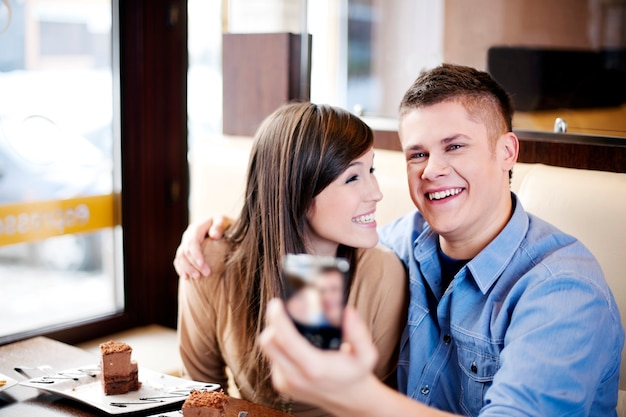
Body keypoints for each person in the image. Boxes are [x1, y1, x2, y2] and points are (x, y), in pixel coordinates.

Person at [175, 64, 624, 416]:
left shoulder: (562, 288)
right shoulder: (396, 243)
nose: (431, 171)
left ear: (506, 152)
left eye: (455, 146)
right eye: (417, 154)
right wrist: (228, 234)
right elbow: (304, 235)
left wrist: (357, 395)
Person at [176, 102, 408, 417]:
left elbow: (372, 406)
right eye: (353, 178)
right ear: (296, 188)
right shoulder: (209, 262)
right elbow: (202, 392)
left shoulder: (382, 273)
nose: (376, 192)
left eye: (371, 170)